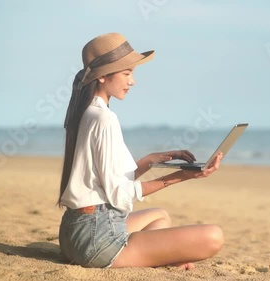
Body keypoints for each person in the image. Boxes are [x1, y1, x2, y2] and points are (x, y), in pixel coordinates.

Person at [58, 32, 224, 269]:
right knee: (214, 236)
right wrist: (181, 176)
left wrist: (149, 161)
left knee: (160, 216)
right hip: (97, 240)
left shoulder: (86, 112)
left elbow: (105, 181)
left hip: (73, 232)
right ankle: (155, 257)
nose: (132, 81)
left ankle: (156, 256)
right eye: (127, 73)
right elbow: (119, 195)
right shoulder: (105, 119)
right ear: (103, 76)